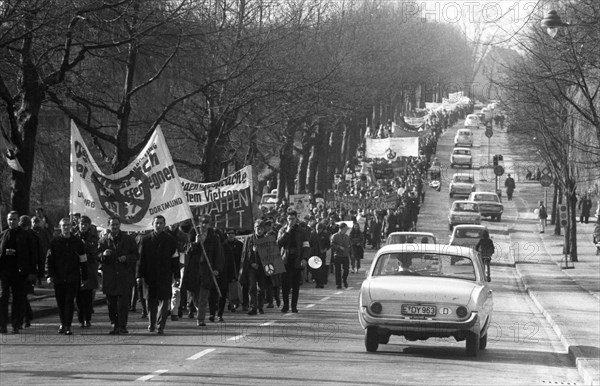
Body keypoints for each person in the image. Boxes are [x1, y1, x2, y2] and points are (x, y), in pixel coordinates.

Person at [137, 215, 179, 335]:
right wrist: (139, 275)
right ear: (152, 224)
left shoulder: (171, 240)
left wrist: (177, 276)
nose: (158, 225)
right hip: (149, 275)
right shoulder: (145, 239)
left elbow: (175, 259)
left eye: (161, 223)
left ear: (164, 224)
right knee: (150, 300)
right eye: (156, 223)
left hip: (165, 275)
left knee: (164, 301)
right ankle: (152, 322)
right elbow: (141, 259)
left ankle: (161, 325)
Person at [46, 217, 87, 335]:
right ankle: (62, 323)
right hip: (59, 277)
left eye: (68, 225)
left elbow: (83, 259)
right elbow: (49, 260)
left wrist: (84, 276)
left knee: (69, 301)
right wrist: (49, 274)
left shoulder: (77, 242)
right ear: (60, 227)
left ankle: (68, 325)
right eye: (64, 225)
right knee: (60, 302)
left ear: (71, 227)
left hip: (72, 277)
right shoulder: (54, 242)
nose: (66, 228)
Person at [98, 216, 138, 334]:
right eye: (112, 225)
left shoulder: (128, 239)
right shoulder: (103, 240)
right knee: (111, 304)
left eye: (116, 224)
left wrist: (127, 258)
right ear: (108, 226)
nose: (114, 227)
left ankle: (122, 325)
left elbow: (136, 255)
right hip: (110, 277)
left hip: (124, 276)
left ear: (119, 225)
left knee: (123, 304)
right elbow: (96, 256)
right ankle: (114, 325)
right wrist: (103, 255)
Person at [181, 215, 223, 327]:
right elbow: (187, 252)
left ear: (210, 224)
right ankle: (198, 308)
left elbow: (218, 255)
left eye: (207, 223)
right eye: (202, 222)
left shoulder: (213, 237)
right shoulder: (192, 234)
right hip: (193, 270)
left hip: (206, 271)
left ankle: (201, 319)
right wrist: (195, 243)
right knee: (194, 296)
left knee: (203, 296)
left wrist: (217, 269)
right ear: (199, 222)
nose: (204, 225)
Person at [0, 211, 37, 334]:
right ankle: (2, 324)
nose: (12, 222)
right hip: (4, 272)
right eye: (10, 219)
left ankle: (16, 324)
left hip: (19, 272)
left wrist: (33, 271)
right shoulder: (3, 234)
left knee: (18, 299)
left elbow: (33, 254)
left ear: (18, 221)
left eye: (14, 219)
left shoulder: (26, 236)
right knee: (2, 297)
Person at [277, 209, 310, 313]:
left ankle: (294, 306)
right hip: (285, 260)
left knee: (296, 284)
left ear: (296, 219)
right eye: (289, 219)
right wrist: (287, 232)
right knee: (285, 284)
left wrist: (304, 259)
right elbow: (279, 243)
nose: (291, 221)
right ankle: (285, 305)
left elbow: (306, 246)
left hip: (297, 259)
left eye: (293, 219)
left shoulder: (301, 231)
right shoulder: (282, 230)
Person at [74, 216, 100, 329]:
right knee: (79, 297)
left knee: (88, 296)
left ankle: (87, 319)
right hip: (77, 270)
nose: (83, 226)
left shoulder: (94, 238)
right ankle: (80, 318)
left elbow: (95, 252)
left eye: (85, 224)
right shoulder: (74, 237)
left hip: (89, 270)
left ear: (89, 225)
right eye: (81, 224)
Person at [240, 219, 269, 315]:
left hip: (262, 267)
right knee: (252, 287)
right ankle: (253, 307)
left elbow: (270, 256)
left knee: (261, 289)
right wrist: (251, 263)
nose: (259, 231)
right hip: (251, 267)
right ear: (254, 228)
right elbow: (245, 254)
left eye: (261, 229)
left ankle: (260, 307)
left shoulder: (266, 239)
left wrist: (260, 251)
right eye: (257, 228)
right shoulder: (249, 238)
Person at [331, 223, 350, 289]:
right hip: (338, 255)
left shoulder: (347, 236)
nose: (346, 230)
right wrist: (338, 247)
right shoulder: (335, 236)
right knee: (338, 270)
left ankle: (344, 279)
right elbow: (332, 245)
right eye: (345, 229)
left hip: (345, 255)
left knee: (346, 269)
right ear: (341, 228)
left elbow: (349, 245)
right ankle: (338, 284)